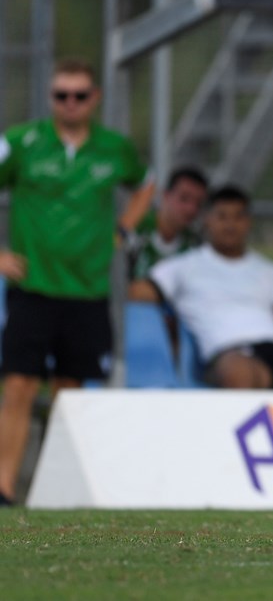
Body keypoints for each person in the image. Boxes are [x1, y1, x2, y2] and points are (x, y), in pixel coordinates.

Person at [0, 58, 154, 505]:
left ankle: (52, 491)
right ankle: (4, 488)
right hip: (34, 287)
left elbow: (146, 185)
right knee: (19, 386)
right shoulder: (22, 143)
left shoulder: (115, 148)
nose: (69, 104)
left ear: (95, 99)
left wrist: (124, 228)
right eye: (60, 95)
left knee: (70, 392)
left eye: (79, 95)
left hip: (87, 290)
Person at [129, 185, 273, 389]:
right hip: (228, 355)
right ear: (207, 219)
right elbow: (140, 292)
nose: (230, 224)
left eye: (238, 216)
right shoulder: (181, 267)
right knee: (241, 373)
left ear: (249, 222)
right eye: (222, 216)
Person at [126, 165, 208, 283]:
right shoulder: (134, 230)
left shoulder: (196, 245)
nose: (191, 209)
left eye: (198, 203)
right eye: (184, 199)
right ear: (165, 195)